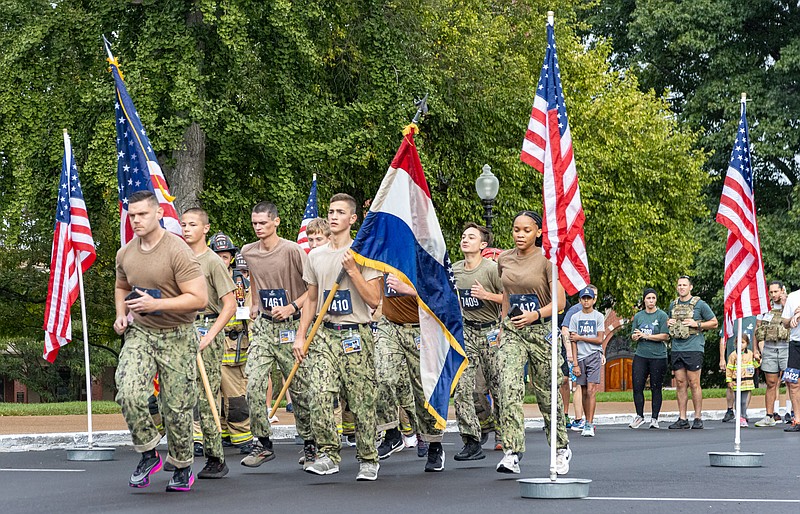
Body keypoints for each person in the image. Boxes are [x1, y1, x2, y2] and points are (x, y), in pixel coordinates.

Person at [113, 190, 207, 491]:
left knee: (176, 407)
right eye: (132, 215)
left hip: (177, 334)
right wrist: (122, 314)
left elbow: (199, 299)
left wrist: (158, 305)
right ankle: (149, 452)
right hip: (141, 332)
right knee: (127, 391)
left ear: (158, 214)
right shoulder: (126, 253)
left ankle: (182, 465)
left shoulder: (177, 250)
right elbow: (121, 285)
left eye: (142, 214)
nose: (136, 220)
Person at [293, 193, 382, 480]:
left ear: (352, 218)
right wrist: (300, 336)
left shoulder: (365, 253)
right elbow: (310, 300)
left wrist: (353, 271)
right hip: (324, 335)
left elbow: (373, 299)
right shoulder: (315, 255)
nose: (333, 216)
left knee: (361, 400)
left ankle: (368, 458)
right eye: (331, 211)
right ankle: (328, 454)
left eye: (340, 212)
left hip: (356, 333)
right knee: (318, 394)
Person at [495, 210, 571, 475]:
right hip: (513, 330)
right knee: (507, 387)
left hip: (541, 331)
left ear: (538, 232)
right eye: (516, 229)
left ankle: (560, 447)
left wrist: (536, 314)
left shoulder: (548, 260)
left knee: (547, 394)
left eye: (526, 230)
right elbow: (506, 294)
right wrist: (502, 326)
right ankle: (512, 452)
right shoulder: (503, 259)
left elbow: (560, 302)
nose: (519, 234)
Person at [239, 201, 312, 468]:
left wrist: (292, 306)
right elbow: (257, 277)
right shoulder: (249, 252)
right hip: (264, 327)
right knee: (254, 383)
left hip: (291, 325)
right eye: (254, 223)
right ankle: (263, 443)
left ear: (276, 222)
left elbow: (313, 290)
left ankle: (310, 443)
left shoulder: (292, 251)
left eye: (263, 223)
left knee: (300, 388)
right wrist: (255, 302)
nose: (258, 227)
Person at [181, 210, 237, 479]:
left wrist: (211, 335)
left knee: (207, 396)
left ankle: (216, 456)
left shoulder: (213, 262)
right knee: (179, 392)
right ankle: (181, 452)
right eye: (184, 224)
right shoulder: (178, 259)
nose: (187, 229)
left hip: (207, 328)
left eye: (193, 224)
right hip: (182, 328)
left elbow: (230, 304)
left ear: (206, 228)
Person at [452, 223, 503, 461]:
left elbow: (510, 299)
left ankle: (505, 435)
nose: (465, 240)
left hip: (492, 332)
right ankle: (471, 440)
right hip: (466, 332)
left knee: (498, 386)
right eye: (463, 236)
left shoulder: (492, 269)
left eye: (471, 237)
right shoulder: (454, 270)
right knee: (462, 387)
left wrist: (487, 296)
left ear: (483, 245)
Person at [373, 273, 426, 464]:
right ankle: (392, 432)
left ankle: (427, 436)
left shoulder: (422, 258)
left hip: (420, 328)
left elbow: (439, 297)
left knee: (419, 388)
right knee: (382, 378)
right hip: (390, 326)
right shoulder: (382, 261)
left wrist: (409, 290)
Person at [666, 275, 717, 429]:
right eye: (679, 285)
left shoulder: (700, 305)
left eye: (684, 285)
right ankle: (682, 418)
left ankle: (697, 417)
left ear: (690, 287)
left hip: (693, 347)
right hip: (677, 348)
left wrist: (697, 323)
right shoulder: (672, 304)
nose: (681, 287)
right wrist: (669, 322)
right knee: (680, 383)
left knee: (694, 382)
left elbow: (714, 322)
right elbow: (669, 323)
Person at [218, 252, 254, 450]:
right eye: (218, 256)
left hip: (235, 346)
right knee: (209, 397)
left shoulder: (241, 283)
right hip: (209, 344)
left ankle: (241, 437)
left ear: (231, 258)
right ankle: (215, 434)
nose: (221, 261)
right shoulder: (203, 277)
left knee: (236, 396)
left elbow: (250, 313)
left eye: (225, 256)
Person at [629, 288, 670, 429]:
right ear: (644, 300)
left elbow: (665, 335)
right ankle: (639, 416)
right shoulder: (639, 316)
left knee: (656, 387)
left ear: (656, 300)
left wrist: (646, 336)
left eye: (653, 298)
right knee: (637, 385)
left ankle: (654, 418)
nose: (651, 301)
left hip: (658, 356)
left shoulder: (662, 316)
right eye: (648, 298)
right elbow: (634, 334)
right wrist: (635, 336)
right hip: (641, 354)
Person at [569, 287, 605, 438]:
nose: (586, 301)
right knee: (582, 390)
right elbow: (573, 342)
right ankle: (584, 421)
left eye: (588, 298)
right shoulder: (575, 318)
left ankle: (590, 423)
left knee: (591, 390)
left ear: (593, 300)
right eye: (583, 298)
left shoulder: (598, 317)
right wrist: (575, 363)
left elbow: (599, 339)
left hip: (593, 355)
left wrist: (580, 337)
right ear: (580, 300)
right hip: (580, 357)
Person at [754, 281, 790, 427]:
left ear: (782, 291)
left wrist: (785, 303)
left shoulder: (789, 305)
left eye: (776, 291)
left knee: (792, 382)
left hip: (786, 347)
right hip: (769, 348)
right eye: (771, 292)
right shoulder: (764, 307)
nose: (774, 295)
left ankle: (792, 413)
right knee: (771, 383)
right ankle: (769, 415)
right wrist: (756, 349)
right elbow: (757, 329)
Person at [718, 316, 756, 422]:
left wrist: (757, 353)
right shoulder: (730, 318)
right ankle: (730, 410)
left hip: (748, 360)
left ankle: (743, 413)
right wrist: (722, 358)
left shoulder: (754, 319)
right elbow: (723, 339)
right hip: (733, 359)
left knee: (747, 386)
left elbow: (756, 337)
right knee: (731, 385)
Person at [725, 334, 760, 427]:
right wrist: (729, 380)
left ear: (747, 343)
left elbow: (756, 366)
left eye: (743, 342)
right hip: (737, 382)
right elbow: (729, 369)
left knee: (744, 401)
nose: (740, 344)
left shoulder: (750, 354)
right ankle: (739, 417)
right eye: (738, 342)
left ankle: (744, 415)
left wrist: (758, 360)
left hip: (747, 382)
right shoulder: (733, 355)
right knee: (738, 400)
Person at [781, 287, 800, 432]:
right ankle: (797, 420)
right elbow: (785, 323)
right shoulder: (793, 297)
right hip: (795, 344)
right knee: (793, 383)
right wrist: (794, 316)